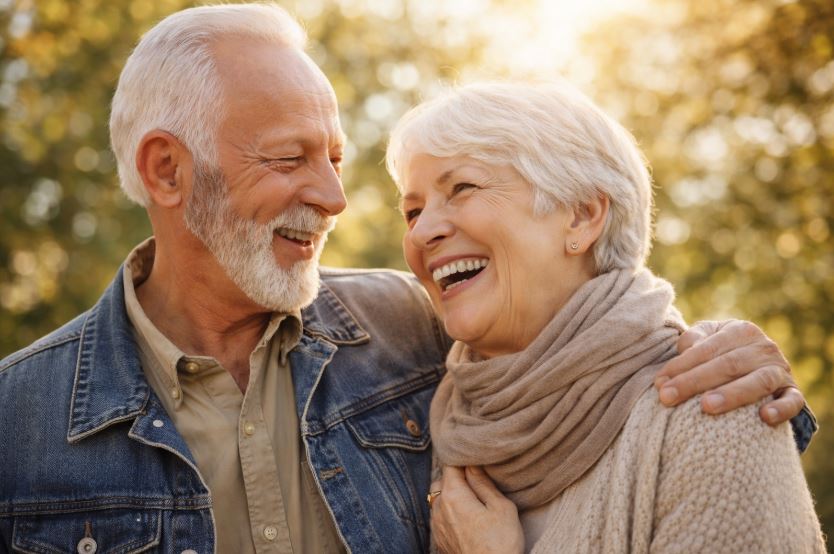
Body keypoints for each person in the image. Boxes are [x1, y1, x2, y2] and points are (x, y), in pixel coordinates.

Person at [0, 5, 814, 553]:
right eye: (289, 158)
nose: (334, 198)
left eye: (335, 159)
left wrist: (730, 360)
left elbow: (583, 330)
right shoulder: (16, 422)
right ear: (167, 171)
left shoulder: (407, 331)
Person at [385, 81, 825, 553]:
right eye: (413, 212)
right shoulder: (429, 429)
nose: (423, 232)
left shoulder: (716, 412)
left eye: (462, 188)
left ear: (581, 215)